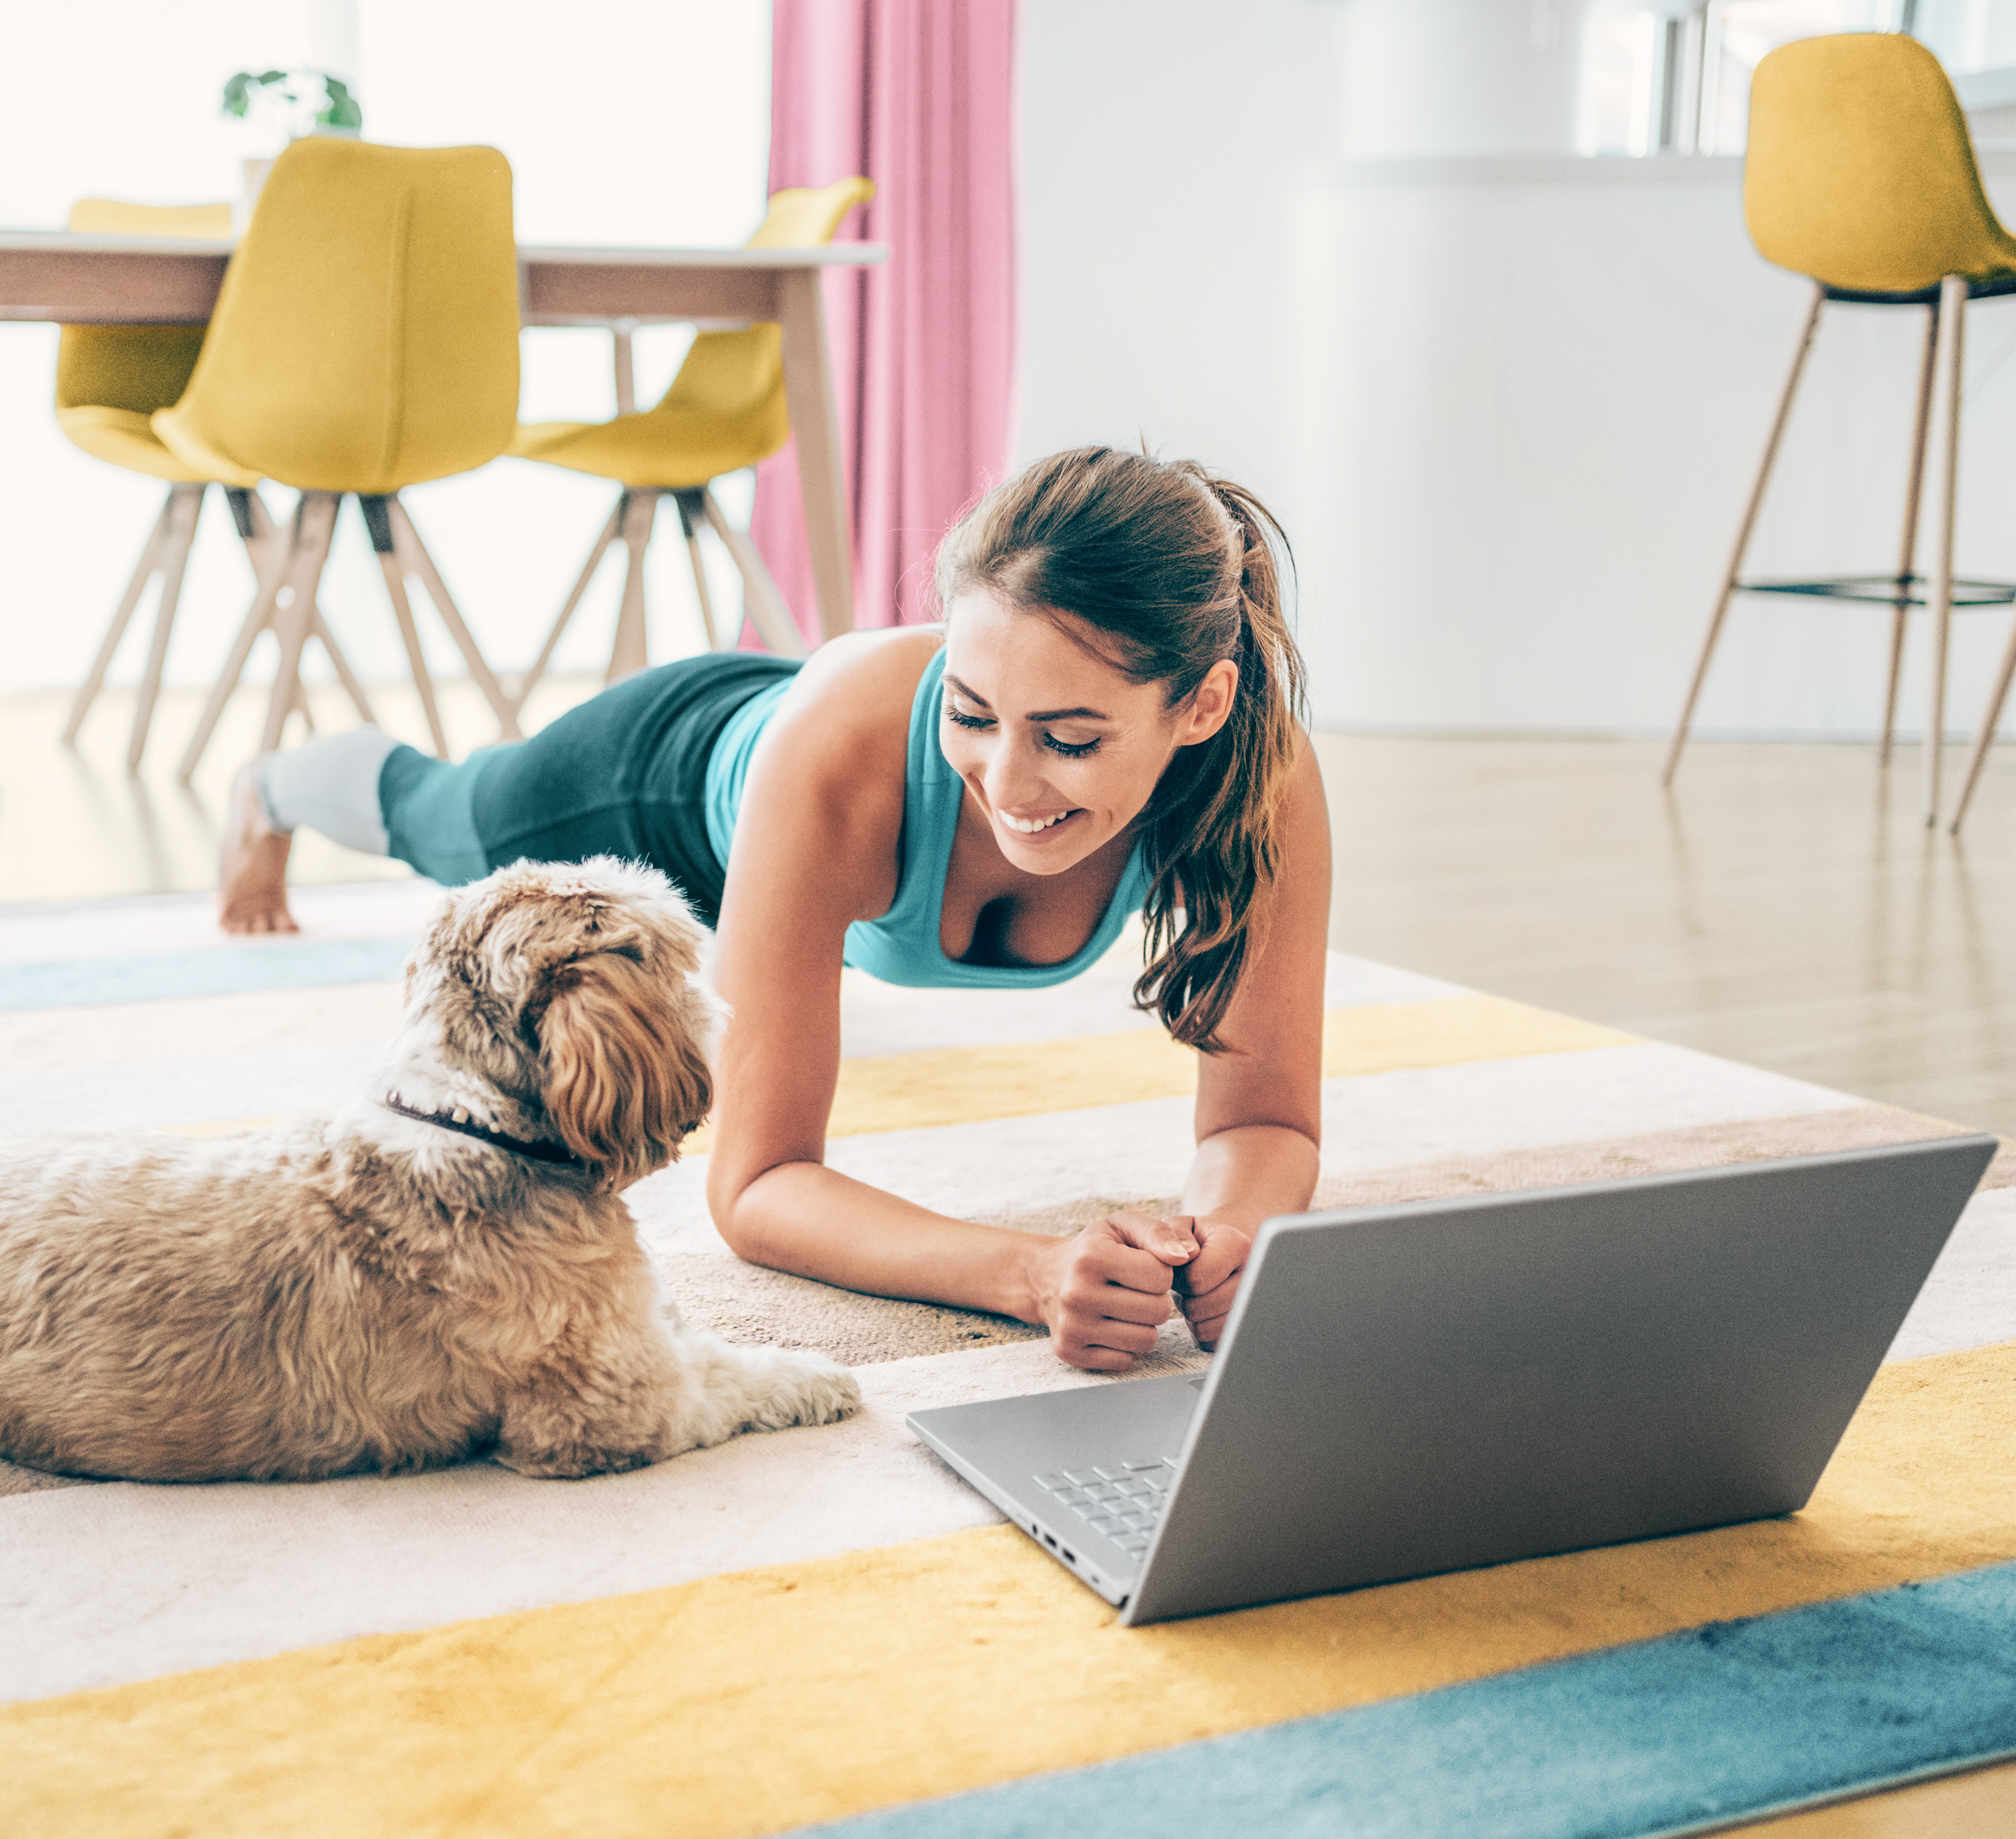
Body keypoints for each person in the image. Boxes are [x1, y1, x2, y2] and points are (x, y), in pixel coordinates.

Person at [219, 446, 1329, 1371]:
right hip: (662, 782)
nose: (1007, 782)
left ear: (1203, 706)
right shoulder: (846, 757)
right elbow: (755, 1187)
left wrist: (1231, 1241)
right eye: (971, 711)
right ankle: (269, 786)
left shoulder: (1261, 783)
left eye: (1072, 739)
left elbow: (1262, 1122)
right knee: (439, 813)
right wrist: (1031, 1272)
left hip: (806, 823)